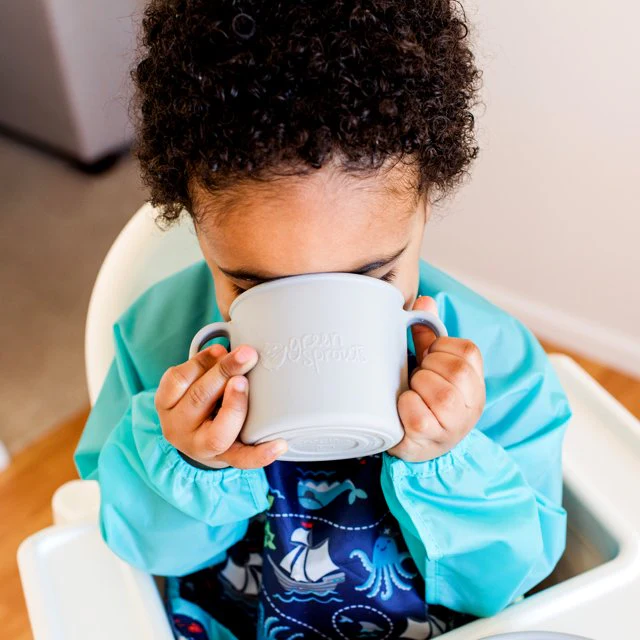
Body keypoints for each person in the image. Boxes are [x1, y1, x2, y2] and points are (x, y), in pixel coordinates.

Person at [75, 1, 571, 638]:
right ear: (198, 230)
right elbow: (143, 553)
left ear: (425, 205)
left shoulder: (496, 362)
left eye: (372, 277)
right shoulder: (155, 342)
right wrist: (189, 464)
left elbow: (508, 581)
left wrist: (447, 463)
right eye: (252, 286)